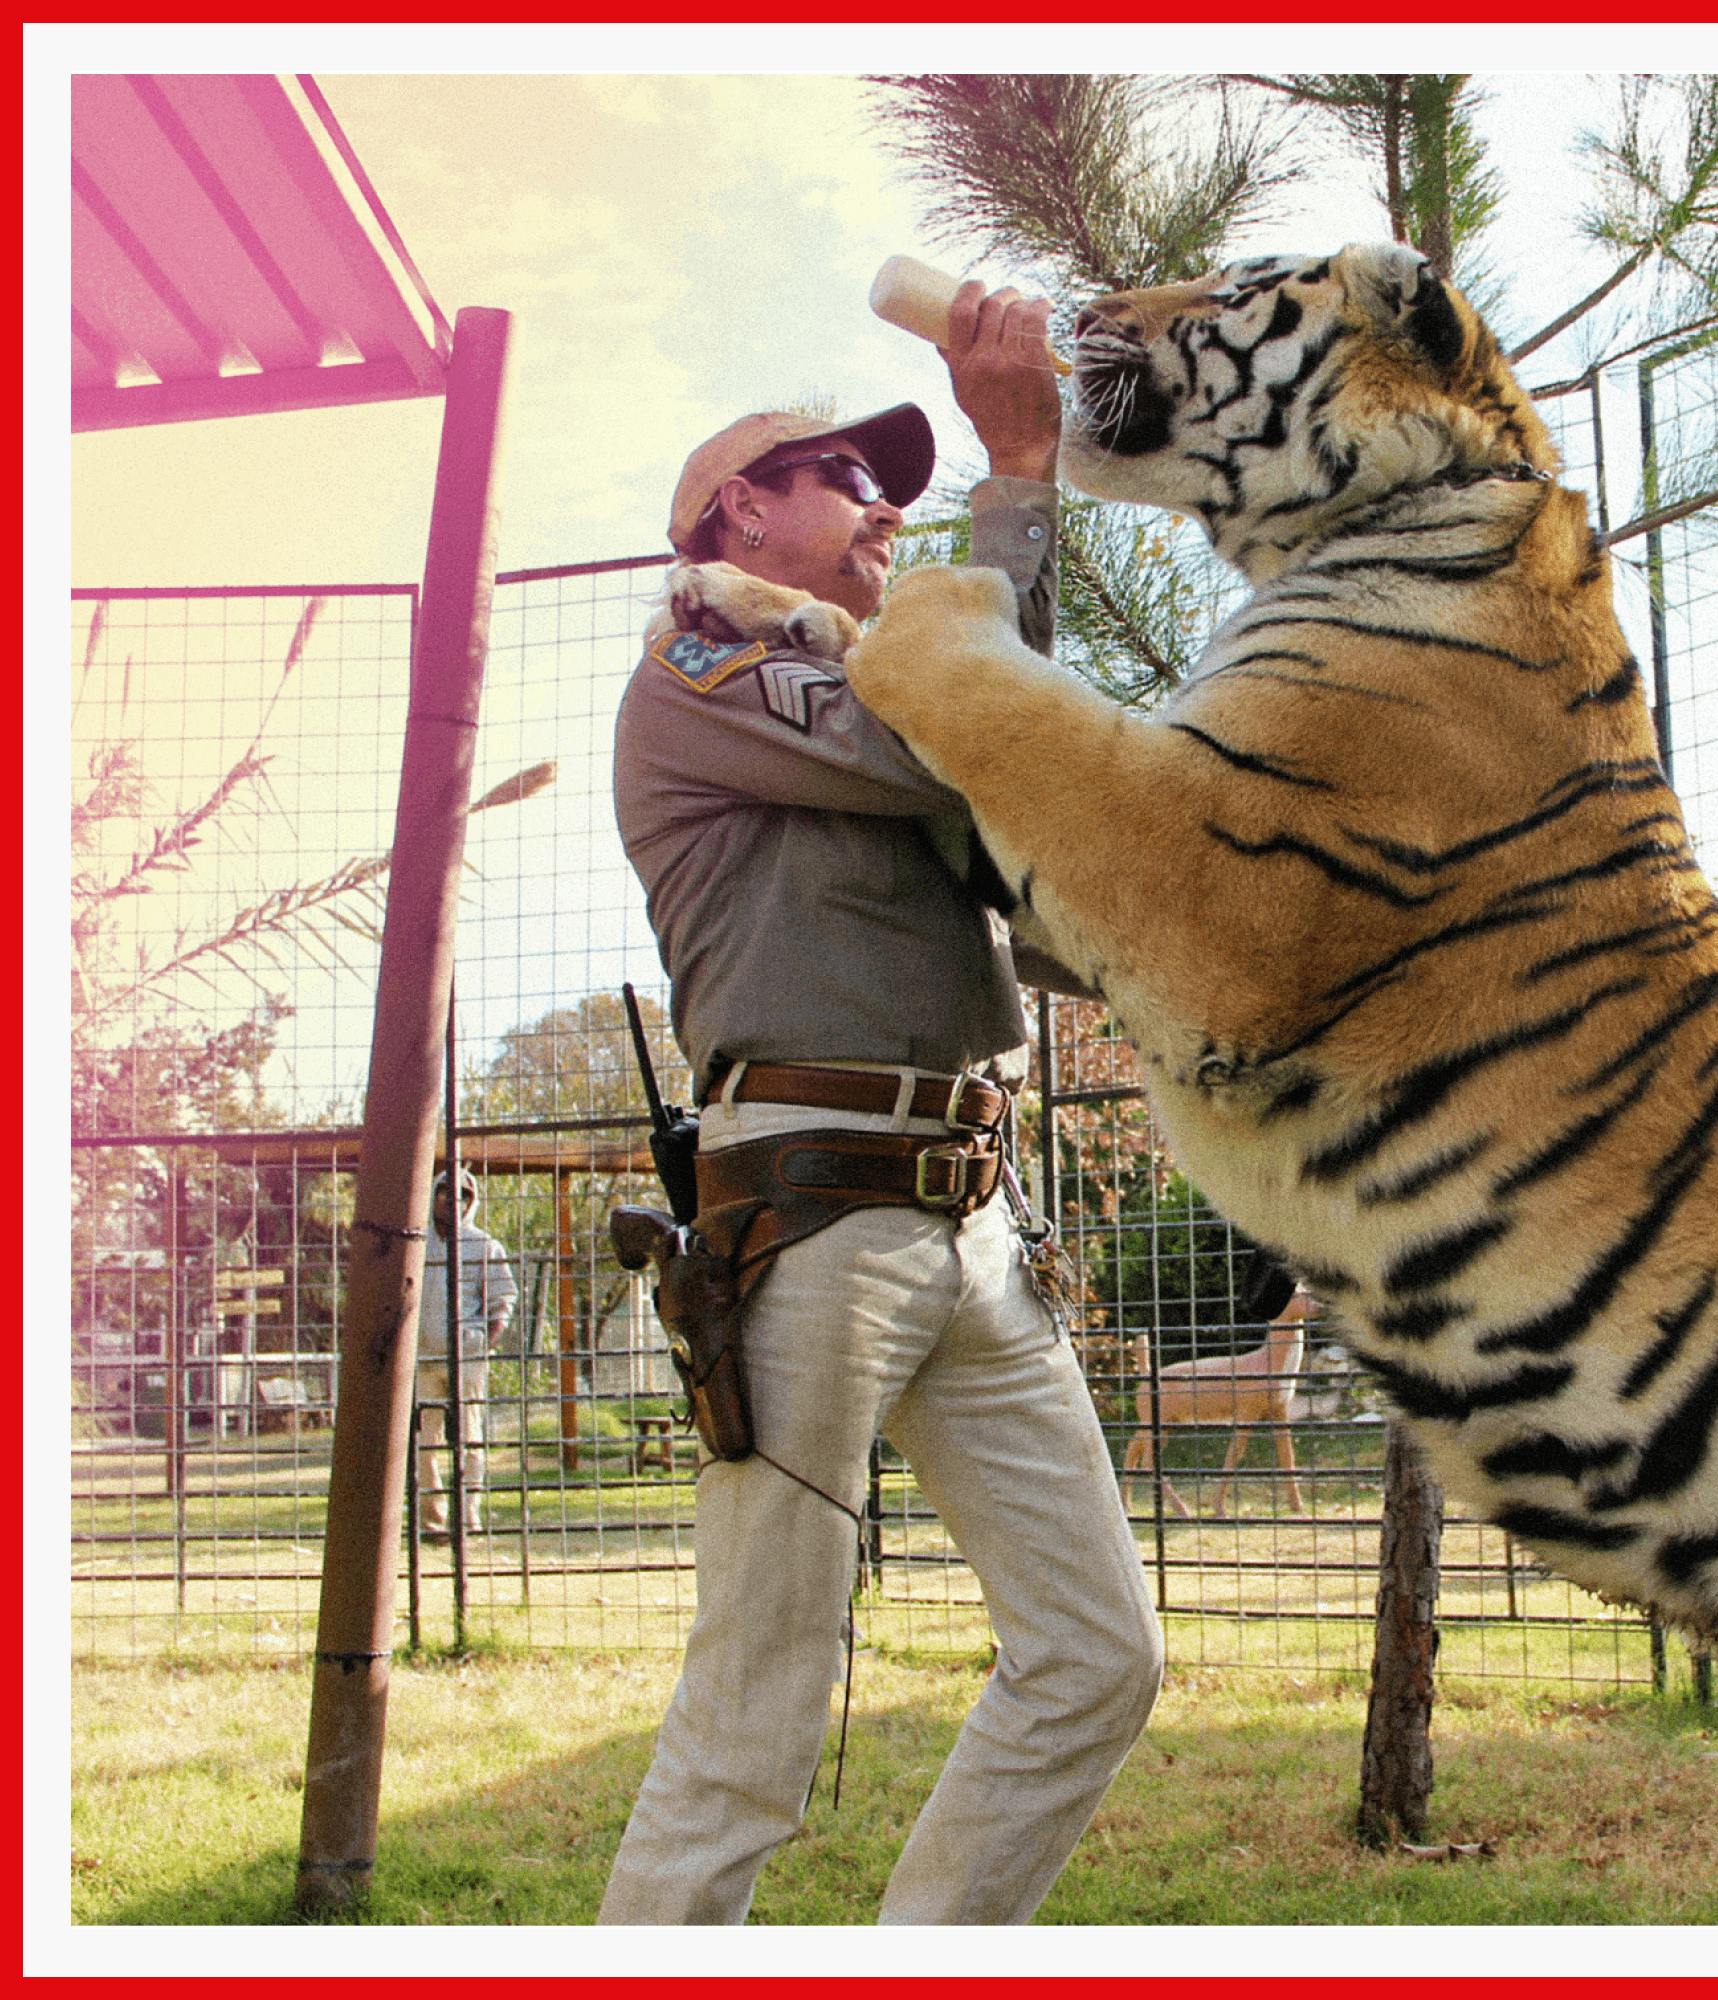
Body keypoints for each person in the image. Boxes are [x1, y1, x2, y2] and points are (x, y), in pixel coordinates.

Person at [599, 283, 1162, 1927]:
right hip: (812, 1209)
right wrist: (1020, 468)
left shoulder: (877, 685)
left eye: (890, 482)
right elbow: (962, 754)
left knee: (1099, 1659)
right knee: (755, 1718)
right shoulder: (703, 650)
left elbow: (1023, 785)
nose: (881, 508)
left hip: (976, 1220)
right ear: (735, 514)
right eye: (843, 475)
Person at [416, 1168, 516, 1541]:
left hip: (467, 1359)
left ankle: (467, 1519)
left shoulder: (483, 1245)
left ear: (471, 1201)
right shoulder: (419, 1242)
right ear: (434, 1194)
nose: (451, 1199)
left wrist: (484, 1342)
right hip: (423, 1359)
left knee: (470, 1441)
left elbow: (502, 1301)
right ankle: (433, 1521)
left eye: (461, 1194)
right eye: (444, 1191)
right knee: (424, 1444)